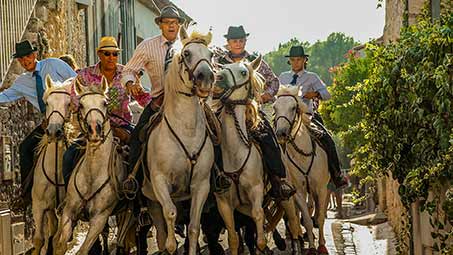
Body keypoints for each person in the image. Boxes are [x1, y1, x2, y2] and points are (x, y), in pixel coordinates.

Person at [215, 25, 295, 200]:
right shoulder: (219, 62)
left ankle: (278, 180)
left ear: (245, 41)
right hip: (224, 110)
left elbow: (274, 82)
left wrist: (264, 97)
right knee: (209, 136)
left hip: (251, 111)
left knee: (268, 137)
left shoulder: (254, 60)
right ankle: (212, 178)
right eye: (234, 41)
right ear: (228, 43)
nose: (238, 43)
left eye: (241, 40)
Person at [0, 40, 77, 203]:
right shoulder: (22, 82)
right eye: (21, 59)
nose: (25, 61)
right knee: (25, 148)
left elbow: (77, 80)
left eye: (27, 56)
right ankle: (27, 194)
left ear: (34, 55)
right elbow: (5, 96)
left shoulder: (54, 64)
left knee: (85, 146)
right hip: (47, 123)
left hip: (70, 120)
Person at [279, 45, 347, 189]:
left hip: (307, 116)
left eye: (299, 59)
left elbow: (327, 94)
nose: (296, 62)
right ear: (289, 61)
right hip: (287, 117)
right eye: (293, 60)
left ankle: (337, 174)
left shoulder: (312, 77)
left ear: (304, 60)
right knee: (273, 139)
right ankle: (277, 178)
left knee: (327, 139)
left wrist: (314, 94)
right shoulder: (283, 77)